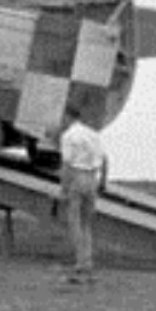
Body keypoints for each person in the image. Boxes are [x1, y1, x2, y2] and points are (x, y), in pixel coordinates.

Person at [58, 104, 107, 284]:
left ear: (68, 116)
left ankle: (80, 262)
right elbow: (105, 158)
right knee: (87, 223)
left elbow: (67, 164)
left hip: (77, 177)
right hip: (92, 177)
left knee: (75, 222)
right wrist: (103, 181)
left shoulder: (68, 136)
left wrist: (64, 188)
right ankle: (88, 260)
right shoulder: (93, 134)